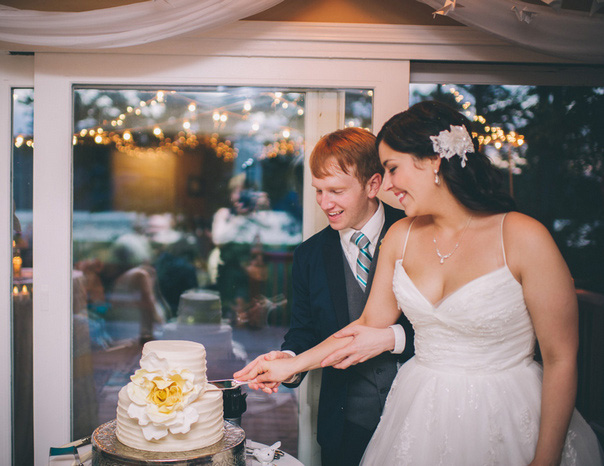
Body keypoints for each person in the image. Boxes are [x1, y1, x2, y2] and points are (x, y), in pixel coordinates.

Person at [236, 101, 604, 465]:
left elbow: (560, 359)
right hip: (418, 415)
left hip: (508, 412)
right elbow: (365, 326)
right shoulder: (402, 235)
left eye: (393, 169)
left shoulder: (524, 236)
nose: (388, 184)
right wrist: (291, 364)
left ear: (434, 162)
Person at [235, 127, 414, 466]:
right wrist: (287, 361)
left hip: (419, 414)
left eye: (336, 191)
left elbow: (447, 329)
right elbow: (304, 331)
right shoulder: (309, 255)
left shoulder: (416, 232)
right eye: (318, 191)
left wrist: (392, 338)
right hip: (346, 425)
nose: (324, 203)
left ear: (373, 185)